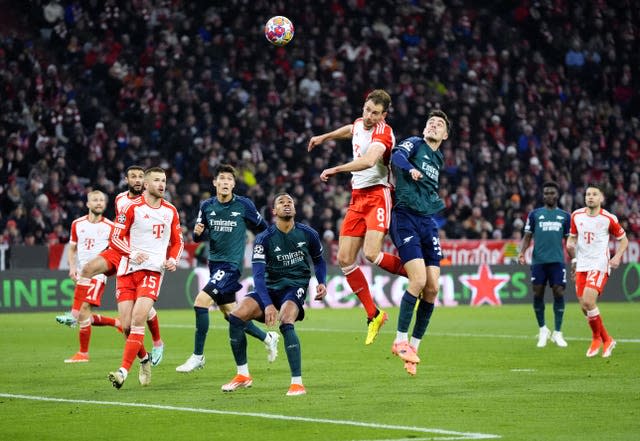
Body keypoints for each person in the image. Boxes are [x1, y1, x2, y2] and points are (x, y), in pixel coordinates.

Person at [307, 88, 405, 345]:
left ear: (384, 114)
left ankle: (416, 276)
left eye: (375, 113)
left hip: (378, 195)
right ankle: (374, 314)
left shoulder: (384, 133)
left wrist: (336, 168)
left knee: (372, 254)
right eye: (367, 110)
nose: (369, 116)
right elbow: (350, 129)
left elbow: (369, 161)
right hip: (357, 197)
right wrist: (323, 137)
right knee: (344, 258)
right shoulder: (361, 122)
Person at [176, 164, 279, 373]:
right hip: (214, 265)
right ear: (214, 182)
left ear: (233, 184)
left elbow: (265, 229)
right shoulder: (206, 206)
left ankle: (198, 356)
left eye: (229, 179)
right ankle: (268, 337)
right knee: (232, 315)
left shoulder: (244, 205)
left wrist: (271, 249)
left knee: (200, 302)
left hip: (231, 266)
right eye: (221, 178)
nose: (225, 182)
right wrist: (196, 233)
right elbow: (198, 235)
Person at [221, 193, 327, 396]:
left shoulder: (308, 234)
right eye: (281, 202)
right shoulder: (264, 239)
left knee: (286, 320)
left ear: (295, 209)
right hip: (268, 287)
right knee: (235, 316)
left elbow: (319, 260)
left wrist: (322, 281)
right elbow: (258, 276)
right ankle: (243, 375)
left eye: (290, 202)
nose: (287, 205)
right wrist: (268, 304)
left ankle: (297, 383)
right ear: (274, 211)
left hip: (294, 285)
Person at [77, 165, 166, 366]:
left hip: (145, 259)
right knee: (127, 323)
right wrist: (123, 248)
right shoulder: (120, 199)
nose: (136, 180)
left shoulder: (153, 203)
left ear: (146, 181)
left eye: (140, 177)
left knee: (142, 310)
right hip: (124, 254)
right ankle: (144, 359)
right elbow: (120, 229)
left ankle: (157, 342)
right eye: (132, 176)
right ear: (127, 179)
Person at [107, 167, 183, 388]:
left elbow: (178, 241)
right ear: (147, 185)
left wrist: (173, 259)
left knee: (138, 319)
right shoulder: (130, 208)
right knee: (127, 326)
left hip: (152, 271)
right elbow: (115, 237)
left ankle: (122, 371)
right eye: (157, 180)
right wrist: (131, 253)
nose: (162, 184)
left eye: (164, 180)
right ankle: (143, 359)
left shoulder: (170, 211)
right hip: (126, 271)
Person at [388, 110, 449, 376]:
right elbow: (396, 156)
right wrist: (410, 168)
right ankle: (400, 340)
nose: (433, 126)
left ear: (445, 135)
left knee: (433, 288)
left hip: (427, 222)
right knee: (418, 281)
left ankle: (413, 349)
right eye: (430, 122)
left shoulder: (439, 158)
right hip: (405, 217)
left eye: (439, 125)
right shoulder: (415, 142)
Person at [566, 183, 628, 358]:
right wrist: (573, 255)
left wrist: (617, 257)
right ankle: (607, 339)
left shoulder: (608, 218)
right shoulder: (576, 215)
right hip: (582, 264)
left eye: (594, 194)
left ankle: (596, 339)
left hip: (599, 263)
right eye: (588, 194)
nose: (590, 197)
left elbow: (624, 240)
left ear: (601, 198)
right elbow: (572, 238)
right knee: (584, 307)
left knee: (588, 300)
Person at [62, 190, 121, 363]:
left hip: (98, 274)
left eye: (102, 200)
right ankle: (115, 323)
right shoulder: (77, 224)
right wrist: (72, 268)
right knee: (84, 314)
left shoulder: (110, 227)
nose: (99, 203)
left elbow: (115, 251)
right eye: (95, 200)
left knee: (82, 310)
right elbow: (72, 249)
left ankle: (83, 354)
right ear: (87, 204)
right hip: (82, 275)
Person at [518, 181, 571, 348]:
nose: (549, 195)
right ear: (543, 195)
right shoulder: (534, 214)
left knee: (559, 291)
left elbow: (569, 241)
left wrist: (575, 259)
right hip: (539, 261)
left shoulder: (565, 216)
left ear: (557, 195)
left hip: (557, 261)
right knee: (538, 292)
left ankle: (558, 332)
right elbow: (527, 236)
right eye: (546, 193)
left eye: (552, 193)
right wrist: (521, 252)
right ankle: (543, 329)